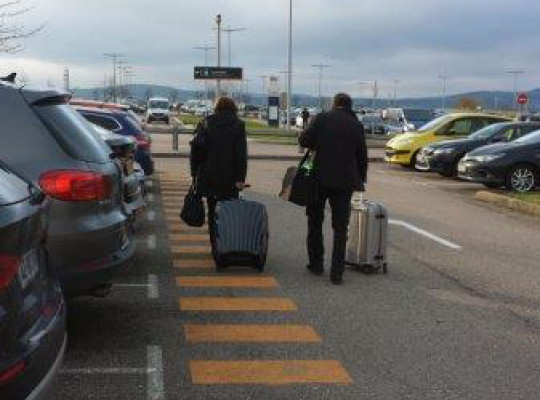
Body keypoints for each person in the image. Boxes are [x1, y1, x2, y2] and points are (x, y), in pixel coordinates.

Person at [299, 93, 368, 285]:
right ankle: (337, 273)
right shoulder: (356, 125)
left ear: (334, 104)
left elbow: (304, 141)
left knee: (315, 220)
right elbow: (362, 155)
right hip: (345, 182)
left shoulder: (322, 118)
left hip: (319, 179)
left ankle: (316, 264)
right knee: (340, 229)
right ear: (349, 106)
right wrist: (361, 179)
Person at [190, 97, 248, 231]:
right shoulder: (239, 125)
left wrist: (194, 173)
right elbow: (241, 155)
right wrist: (240, 179)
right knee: (228, 212)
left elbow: (196, 150)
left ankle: (214, 244)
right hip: (230, 177)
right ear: (233, 108)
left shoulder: (206, 123)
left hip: (209, 174)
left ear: (217, 108)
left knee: (212, 210)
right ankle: (226, 245)